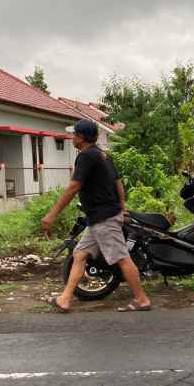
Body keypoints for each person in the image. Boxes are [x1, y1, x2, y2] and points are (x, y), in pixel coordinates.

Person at [41, 118, 151, 313]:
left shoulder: (86, 156)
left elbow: (74, 186)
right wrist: (122, 207)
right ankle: (65, 299)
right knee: (80, 254)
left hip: (104, 218)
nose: (72, 137)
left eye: (74, 134)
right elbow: (118, 182)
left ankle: (142, 300)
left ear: (81, 137)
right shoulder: (103, 155)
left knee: (122, 258)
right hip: (100, 218)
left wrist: (52, 214)